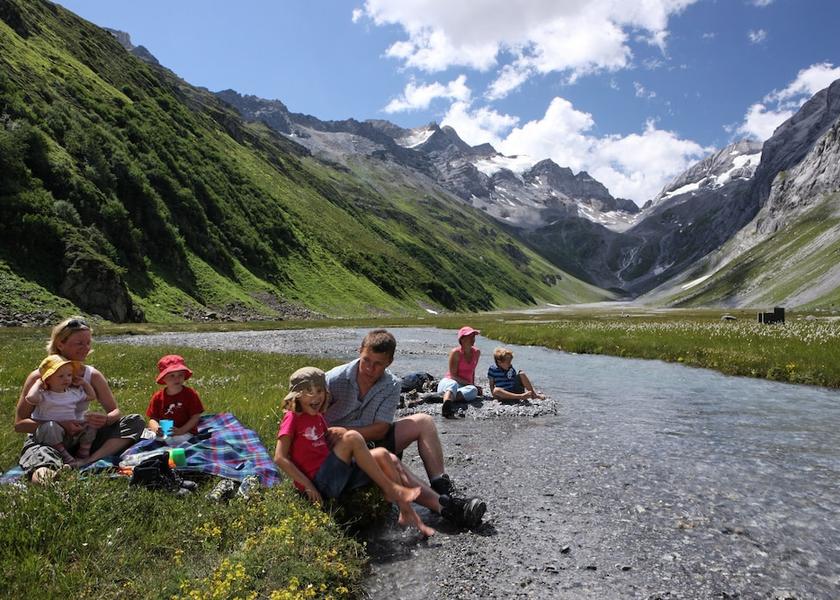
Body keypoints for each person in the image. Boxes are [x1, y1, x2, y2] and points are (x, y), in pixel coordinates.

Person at [325, 329, 487, 528]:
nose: (369, 368)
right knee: (390, 461)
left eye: (378, 364)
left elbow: (381, 429)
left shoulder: (392, 384)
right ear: (360, 351)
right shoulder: (333, 379)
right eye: (366, 360)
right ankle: (446, 508)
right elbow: (304, 415)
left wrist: (347, 431)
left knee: (424, 421)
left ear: (389, 362)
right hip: (339, 448)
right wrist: (342, 435)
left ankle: (442, 488)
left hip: (371, 438)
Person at [273, 367, 435, 537]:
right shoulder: (292, 417)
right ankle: (391, 489)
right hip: (318, 484)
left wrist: (341, 442)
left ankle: (407, 513)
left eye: (320, 391)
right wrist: (308, 486)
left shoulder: (318, 417)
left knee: (383, 454)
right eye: (309, 392)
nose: (316, 397)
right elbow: (279, 458)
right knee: (352, 437)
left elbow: (324, 445)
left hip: (333, 476)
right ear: (297, 395)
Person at [14, 316, 145, 479]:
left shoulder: (93, 375)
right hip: (48, 439)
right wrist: (60, 425)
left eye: (88, 343)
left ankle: (88, 460)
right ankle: (50, 477)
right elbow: (20, 424)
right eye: (79, 343)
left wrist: (106, 420)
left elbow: (115, 412)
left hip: (84, 438)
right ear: (60, 344)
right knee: (42, 459)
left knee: (135, 421)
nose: (86, 348)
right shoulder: (39, 377)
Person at [24, 355, 98, 464]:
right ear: (48, 379)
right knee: (50, 426)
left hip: (70, 432)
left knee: (91, 424)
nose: (66, 379)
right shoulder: (44, 395)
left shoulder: (73, 393)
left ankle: (83, 452)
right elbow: (30, 398)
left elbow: (91, 396)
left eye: (69, 375)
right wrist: (38, 383)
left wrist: (84, 383)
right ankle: (64, 455)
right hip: (50, 436)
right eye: (61, 376)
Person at [146, 354, 204, 436]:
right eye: (172, 375)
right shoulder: (158, 397)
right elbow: (153, 419)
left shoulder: (190, 394)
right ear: (163, 378)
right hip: (165, 433)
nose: (177, 378)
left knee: (178, 440)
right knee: (149, 436)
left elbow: (195, 417)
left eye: (180, 375)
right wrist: (156, 428)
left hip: (186, 432)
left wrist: (181, 430)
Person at [437, 326, 482, 418]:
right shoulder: (456, 352)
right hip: (448, 382)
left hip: (463, 386)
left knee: (473, 390)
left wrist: (473, 385)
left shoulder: (477, 352)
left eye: (473, 336)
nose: (473, 339)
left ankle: (447, 399)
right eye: (470, 336)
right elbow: (453, 376)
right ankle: (447, 406)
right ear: (462, 339)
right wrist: (469, 383)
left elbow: (472, 371)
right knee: (453, 384)